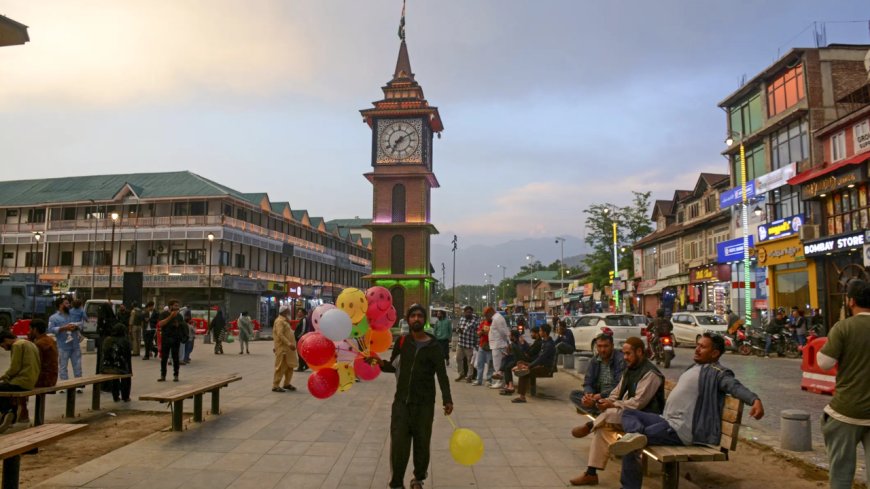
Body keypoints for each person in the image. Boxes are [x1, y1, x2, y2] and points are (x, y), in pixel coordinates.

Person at [609, 333, 764, 489]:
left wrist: (754, 399)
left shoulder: (717, 372)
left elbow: (734, 386)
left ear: (715, 353)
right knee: (627, 414)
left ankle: (629, 483)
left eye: (702, 347)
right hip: (665, 421)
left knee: (629, 444)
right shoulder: (694, 367)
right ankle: (636, 434)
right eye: (697, 345)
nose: (696, 349)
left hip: (679, 429)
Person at [569, 337, 664, 486]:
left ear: (639, 352)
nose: (625, 357)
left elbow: (637, 403)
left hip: (645, 419)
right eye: (624, 353)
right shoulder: (630, 369)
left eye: (628, 354)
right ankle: (591, 474)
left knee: (611, 414)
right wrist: (599, 402)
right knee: (602, 430)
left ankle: (590, 425)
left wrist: (611, 404)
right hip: (627, 416)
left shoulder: (650, 374)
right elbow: (616, 392)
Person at [379, 304, 453, 489]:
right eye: (413, 316)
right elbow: (392, 366)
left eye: (420, 316)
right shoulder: (403, 342)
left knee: (422, 443)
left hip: (424, 405)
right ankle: (396, 482)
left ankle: (418, 478)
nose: (416, 319)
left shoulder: (434, 345)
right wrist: (378, 363)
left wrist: (447, 399)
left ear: (425, 319)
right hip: (401, 403)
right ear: (408, 319)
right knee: (399, 445)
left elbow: (442, 375)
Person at [816, 279, 870, 489]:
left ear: (851, 301)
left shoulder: (844, 327)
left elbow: (825, 363)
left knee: (841, 473)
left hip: (846, 411)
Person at [569, 333, 626, 416]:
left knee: (618, 401)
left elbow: (619, 386)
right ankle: (598, 410)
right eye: (599, 346)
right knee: (574, 395)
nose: (602, 350)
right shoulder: (595, 360)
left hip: (613, 397)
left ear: (612, 346)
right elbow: (588, 382)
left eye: (606, 346)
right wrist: (589, 394)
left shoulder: (620, 360)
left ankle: (597, 410)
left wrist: (600, 396)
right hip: (597, 397)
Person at [16, 319, 58, 424]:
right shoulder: (49, 340)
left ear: (35, 330)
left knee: (18, 384)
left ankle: (23, 414)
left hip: (45, 379)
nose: (28, 332)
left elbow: (34, 366)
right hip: (52, 377)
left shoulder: (39, 344)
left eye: (30, 329)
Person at [0, 330, 40, 433]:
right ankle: (10, 415)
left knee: (2, 388)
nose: (4, 348)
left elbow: (15, 368)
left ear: (6, 340)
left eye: (2, 345)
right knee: (6, 388)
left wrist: (4, 376)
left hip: (22, 381)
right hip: (31, 380)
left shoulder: (17, 345)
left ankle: (7, 412)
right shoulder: (28, 343)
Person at [511, 323, 556, 403]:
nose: (539, 332)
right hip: (539, 364)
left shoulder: (549, 344)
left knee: (524, 372)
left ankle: (522, 397)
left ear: (545, 333)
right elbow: (538, 357)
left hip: (545, 367)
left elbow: (541, 359)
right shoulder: (545, 342)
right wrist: (526, 364)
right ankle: (522, 395)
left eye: (540, 331)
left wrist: (528, 366)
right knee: (520, 363)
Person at [48, 297, 84, 393]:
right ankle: (64, 385)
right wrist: (63, 328)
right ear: (60, 305)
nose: (69, 305)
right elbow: (51, 329)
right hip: (63, 346)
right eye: (67, 303)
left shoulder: (73, 315)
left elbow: (81, 323)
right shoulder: (53, 317)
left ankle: (78, 384)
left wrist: (76, 326)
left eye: (69, 303)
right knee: (63, 366)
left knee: (77, 365)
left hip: (75, 344)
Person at [100, 323, 133, 402]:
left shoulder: (107, 340)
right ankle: (125, 396)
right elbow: (128, 357)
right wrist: (129, 370)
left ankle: (115, 396)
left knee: (115, 378)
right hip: (119, 368)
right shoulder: (125, 341)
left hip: (106, 368)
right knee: (126, 376)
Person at [157, 300, 187, 382]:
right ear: (170, 306)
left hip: (175, 338)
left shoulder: (179, 316)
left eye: (178, 306)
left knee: (175, 357)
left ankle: (176, 375)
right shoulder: (163, 314)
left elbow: (181, 326)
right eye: (175, 305)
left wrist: (178, 325)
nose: (177, 307)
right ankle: (163, 375)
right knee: (164, 358)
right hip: (166, 338)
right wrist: (171, 316)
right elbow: (160, 324)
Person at [272, 305, 297, 392]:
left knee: (290, 366)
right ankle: (275, 385)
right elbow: (279, 334)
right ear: (284, 311)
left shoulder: (285, 321)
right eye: (288, 310)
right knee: (281, 367)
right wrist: (289, 344)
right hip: (283, 349)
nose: (290, 311)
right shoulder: (279, 321)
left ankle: (287, 384)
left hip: (289, 349)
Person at [487, 308, 510, 389]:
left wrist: (505, 342)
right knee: (498, 365)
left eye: (486, 315)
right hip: (496, 345)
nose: (486, 317)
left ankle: (500, 382)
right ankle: (500, 381)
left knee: (498, 365)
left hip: (498, 345)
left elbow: (503, 332)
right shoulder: (496, 318)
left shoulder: (497, 318)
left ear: (490, 312)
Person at [454, 306, 478, 382]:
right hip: (461, 343)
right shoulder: (462, 319)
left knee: (470, 362)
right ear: (464, 312)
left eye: (470, 312)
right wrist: (458, 330)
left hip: (469, 345)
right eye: (467, 312)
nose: (468, 314)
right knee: (458, 359)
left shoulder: (474, 321)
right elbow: (458, 328)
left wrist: (476, 345)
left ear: (472, 313)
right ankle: (461, 374)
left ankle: (469, 376)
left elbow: (468, 330)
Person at [472, 312, 493, 386]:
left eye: (489, 315)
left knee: (490, 364)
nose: (487, 317)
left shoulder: (494, 324)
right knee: (480, 364)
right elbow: (478, 333)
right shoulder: (483, 323)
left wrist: (488, 333)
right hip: (482, 345)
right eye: (486, 316)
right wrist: (481, 332)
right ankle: (479, 380)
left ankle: (489, 380)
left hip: (490, 346)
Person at [96, 303, 116, 376]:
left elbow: (98, 330)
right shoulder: (113, 319)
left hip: (103, 341)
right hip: (111, 342)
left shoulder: (102, 318)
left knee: (101, 358)